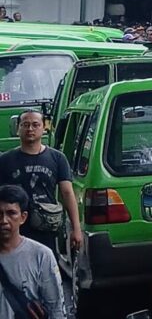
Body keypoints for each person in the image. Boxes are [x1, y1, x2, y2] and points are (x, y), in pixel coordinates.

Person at [0, 111, 82, 256]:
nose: (30, 129)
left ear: (44, 128)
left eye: (35, 125)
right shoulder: (5, 160)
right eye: (25, 125)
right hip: (14, 229)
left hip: (46, 228)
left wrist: (76, 229)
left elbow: (67, 193)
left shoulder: (57, 158)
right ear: (18, 129)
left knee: (47, 267)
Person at [0, 184, 66, 319]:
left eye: (11, 213)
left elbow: (56, 308)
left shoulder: (42, 256)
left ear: (23, 217)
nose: (4, 220)